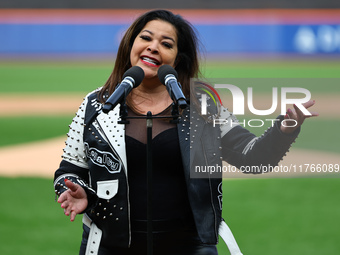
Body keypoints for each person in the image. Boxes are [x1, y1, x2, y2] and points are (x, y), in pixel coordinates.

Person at [53, 9, 318, 255]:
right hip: (110, 246)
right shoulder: (96, 104)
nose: (153, 47)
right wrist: (77, 191)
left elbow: (254, 158)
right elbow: (69, 171)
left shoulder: (203, 104)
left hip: (189, 247)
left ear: (177, 59)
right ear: (130, 45)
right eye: (145, 38)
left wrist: (284, 129)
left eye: (166, 44)